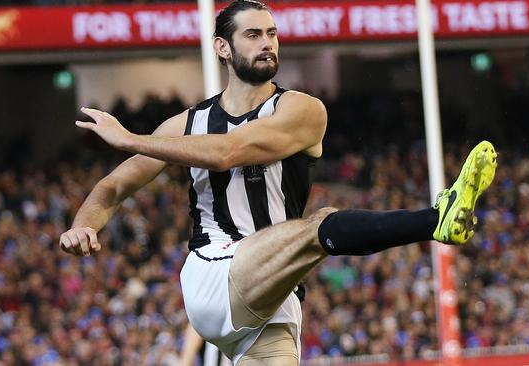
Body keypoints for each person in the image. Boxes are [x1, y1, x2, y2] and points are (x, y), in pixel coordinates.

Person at [59, 0, 498, 364]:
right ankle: (436, 219)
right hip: (215, 273)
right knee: (318, 223)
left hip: (273, 294)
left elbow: (228, 151)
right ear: (222, 48)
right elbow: (111, 188)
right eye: (253, 35)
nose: (268, 43)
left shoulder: (303, 111)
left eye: (272, 34)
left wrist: (131, 138)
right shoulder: (188, 122)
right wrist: (85, 224)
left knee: (307, 233)